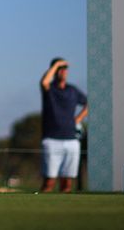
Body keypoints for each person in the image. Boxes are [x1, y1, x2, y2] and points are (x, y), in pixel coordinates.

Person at [39, 58, 88, 193]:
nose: (63, 71)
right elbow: (44, 82)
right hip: (51, 139)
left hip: (71, 140)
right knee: (49, 182)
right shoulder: (50, 89)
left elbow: (88, 103)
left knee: (67, 183)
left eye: (65, 68)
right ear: (54, 70)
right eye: (60, 68)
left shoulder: (72, 90)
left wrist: (79, 118)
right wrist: (56, 65)